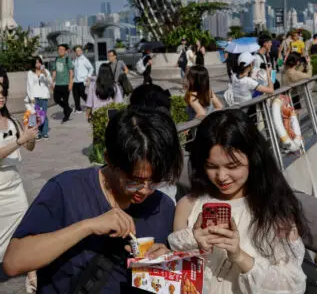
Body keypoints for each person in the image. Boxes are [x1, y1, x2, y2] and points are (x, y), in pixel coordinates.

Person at [3, 107, 183, 293]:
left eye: (154, 181)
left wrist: (168, 263)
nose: (145, 191)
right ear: (109, 160)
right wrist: (87, 227)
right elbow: (13, 262)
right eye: (134, 181)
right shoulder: (66, 189)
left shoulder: (163, 207)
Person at [168, 110, 310, 294]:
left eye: (232, 166)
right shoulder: (187, 206)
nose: (221, 176)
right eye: (211, 166)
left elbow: (293, 285)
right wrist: (194, 247)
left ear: (253, 159)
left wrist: (239, 256)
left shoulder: (275, 211)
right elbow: (176, 282)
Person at [0, 86, 37, 291]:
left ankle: (32, 276)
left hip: (15, 186)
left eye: (2, 91)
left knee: (26, 229)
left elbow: (28, 146)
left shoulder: (12, 121)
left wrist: (30, 135)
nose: (1, 96)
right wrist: (19, 141)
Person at [26, 57, 53, 140]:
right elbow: (29, 85)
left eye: (39, 62)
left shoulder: (46, 72)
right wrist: (31, 97)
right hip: (35, 97)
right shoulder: (30, 73)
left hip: (44, 96)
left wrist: (45, 73)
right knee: (34, 115)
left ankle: (44, 132)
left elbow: (50, 83)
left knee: (43, 115)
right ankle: (36, 133)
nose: (38, 64)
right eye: (36, 62)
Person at [51, 44, 74, 123]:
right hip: (58, 84)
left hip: (66, 84)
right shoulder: (56, 59)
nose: (60, 51)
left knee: (65, 100)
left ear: (66, 51)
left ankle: (66, 116)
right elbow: (54, 71)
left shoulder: (68, 59)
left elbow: (71, 72)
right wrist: (52, 81)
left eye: (62, 49)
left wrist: (71, 83)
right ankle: (68, 109)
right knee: (56, 99)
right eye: (59, 49)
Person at [72, 46, 94, 113]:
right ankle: (78, 109)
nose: (77, 52)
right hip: (75, 80)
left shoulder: (84, 59)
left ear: (81, 51)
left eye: (79, 50)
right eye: (76, 51)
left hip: (82, 80)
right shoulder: (74, 60)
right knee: (75, 95)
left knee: (83, 94)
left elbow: (91, 68)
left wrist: (88, 77)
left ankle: (91, 104)